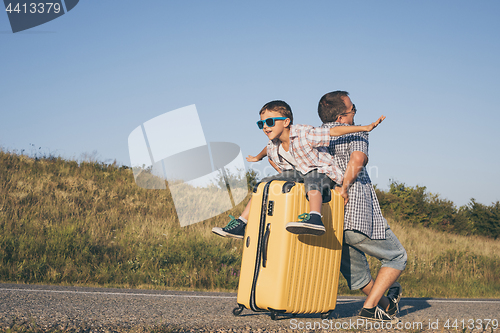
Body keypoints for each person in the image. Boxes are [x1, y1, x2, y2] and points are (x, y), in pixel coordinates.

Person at [212, 100, 384, 238]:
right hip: (299, 172)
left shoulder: (304, 133)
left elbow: (333, 132)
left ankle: (315, 217)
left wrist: (365, 127)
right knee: (264, 183)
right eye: (261, 123)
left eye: (270, 122)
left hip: (323, 170)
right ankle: (241, 224)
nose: (265, 126)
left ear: (286, 122)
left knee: (312, 177)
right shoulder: (273, 145)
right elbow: (267, 151)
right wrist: (258, 158)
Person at [318, 90, 407, 323]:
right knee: (397, 256)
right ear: (341, 118)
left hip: (331, 220)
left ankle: (386, 305)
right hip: (356, 213)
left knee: (359, 275)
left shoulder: (316, 136)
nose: (355, 112)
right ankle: (369, 309)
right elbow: (357, 160)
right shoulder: (355, 132)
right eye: (352, 108)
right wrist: (345, 187)